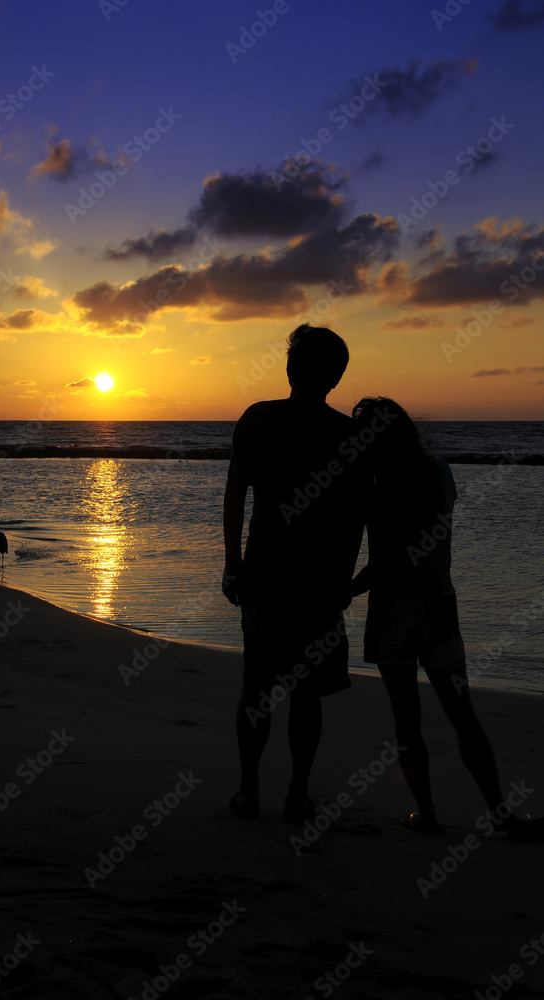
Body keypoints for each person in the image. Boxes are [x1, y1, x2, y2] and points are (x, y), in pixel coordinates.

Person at [350, 396, 542, 840]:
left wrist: (347, 590)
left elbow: (387, 556)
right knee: (462, 713)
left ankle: (428, 815)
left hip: (393, 608)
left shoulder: (378, 484)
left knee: (407, 719)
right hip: (437, 605)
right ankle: (498, 813)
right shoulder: (438, 472)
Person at [222, 324, 365, 822]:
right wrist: (345, 581)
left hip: (264, 573)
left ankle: (248, 791)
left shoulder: (258, 420)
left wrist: (232, 563)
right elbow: (355, 517)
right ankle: (296, 795)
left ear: (289, 369)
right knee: (305, 691)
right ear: (336, 377)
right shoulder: (347, 435)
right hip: (318, 581)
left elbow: (236, 493)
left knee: (258, 684)